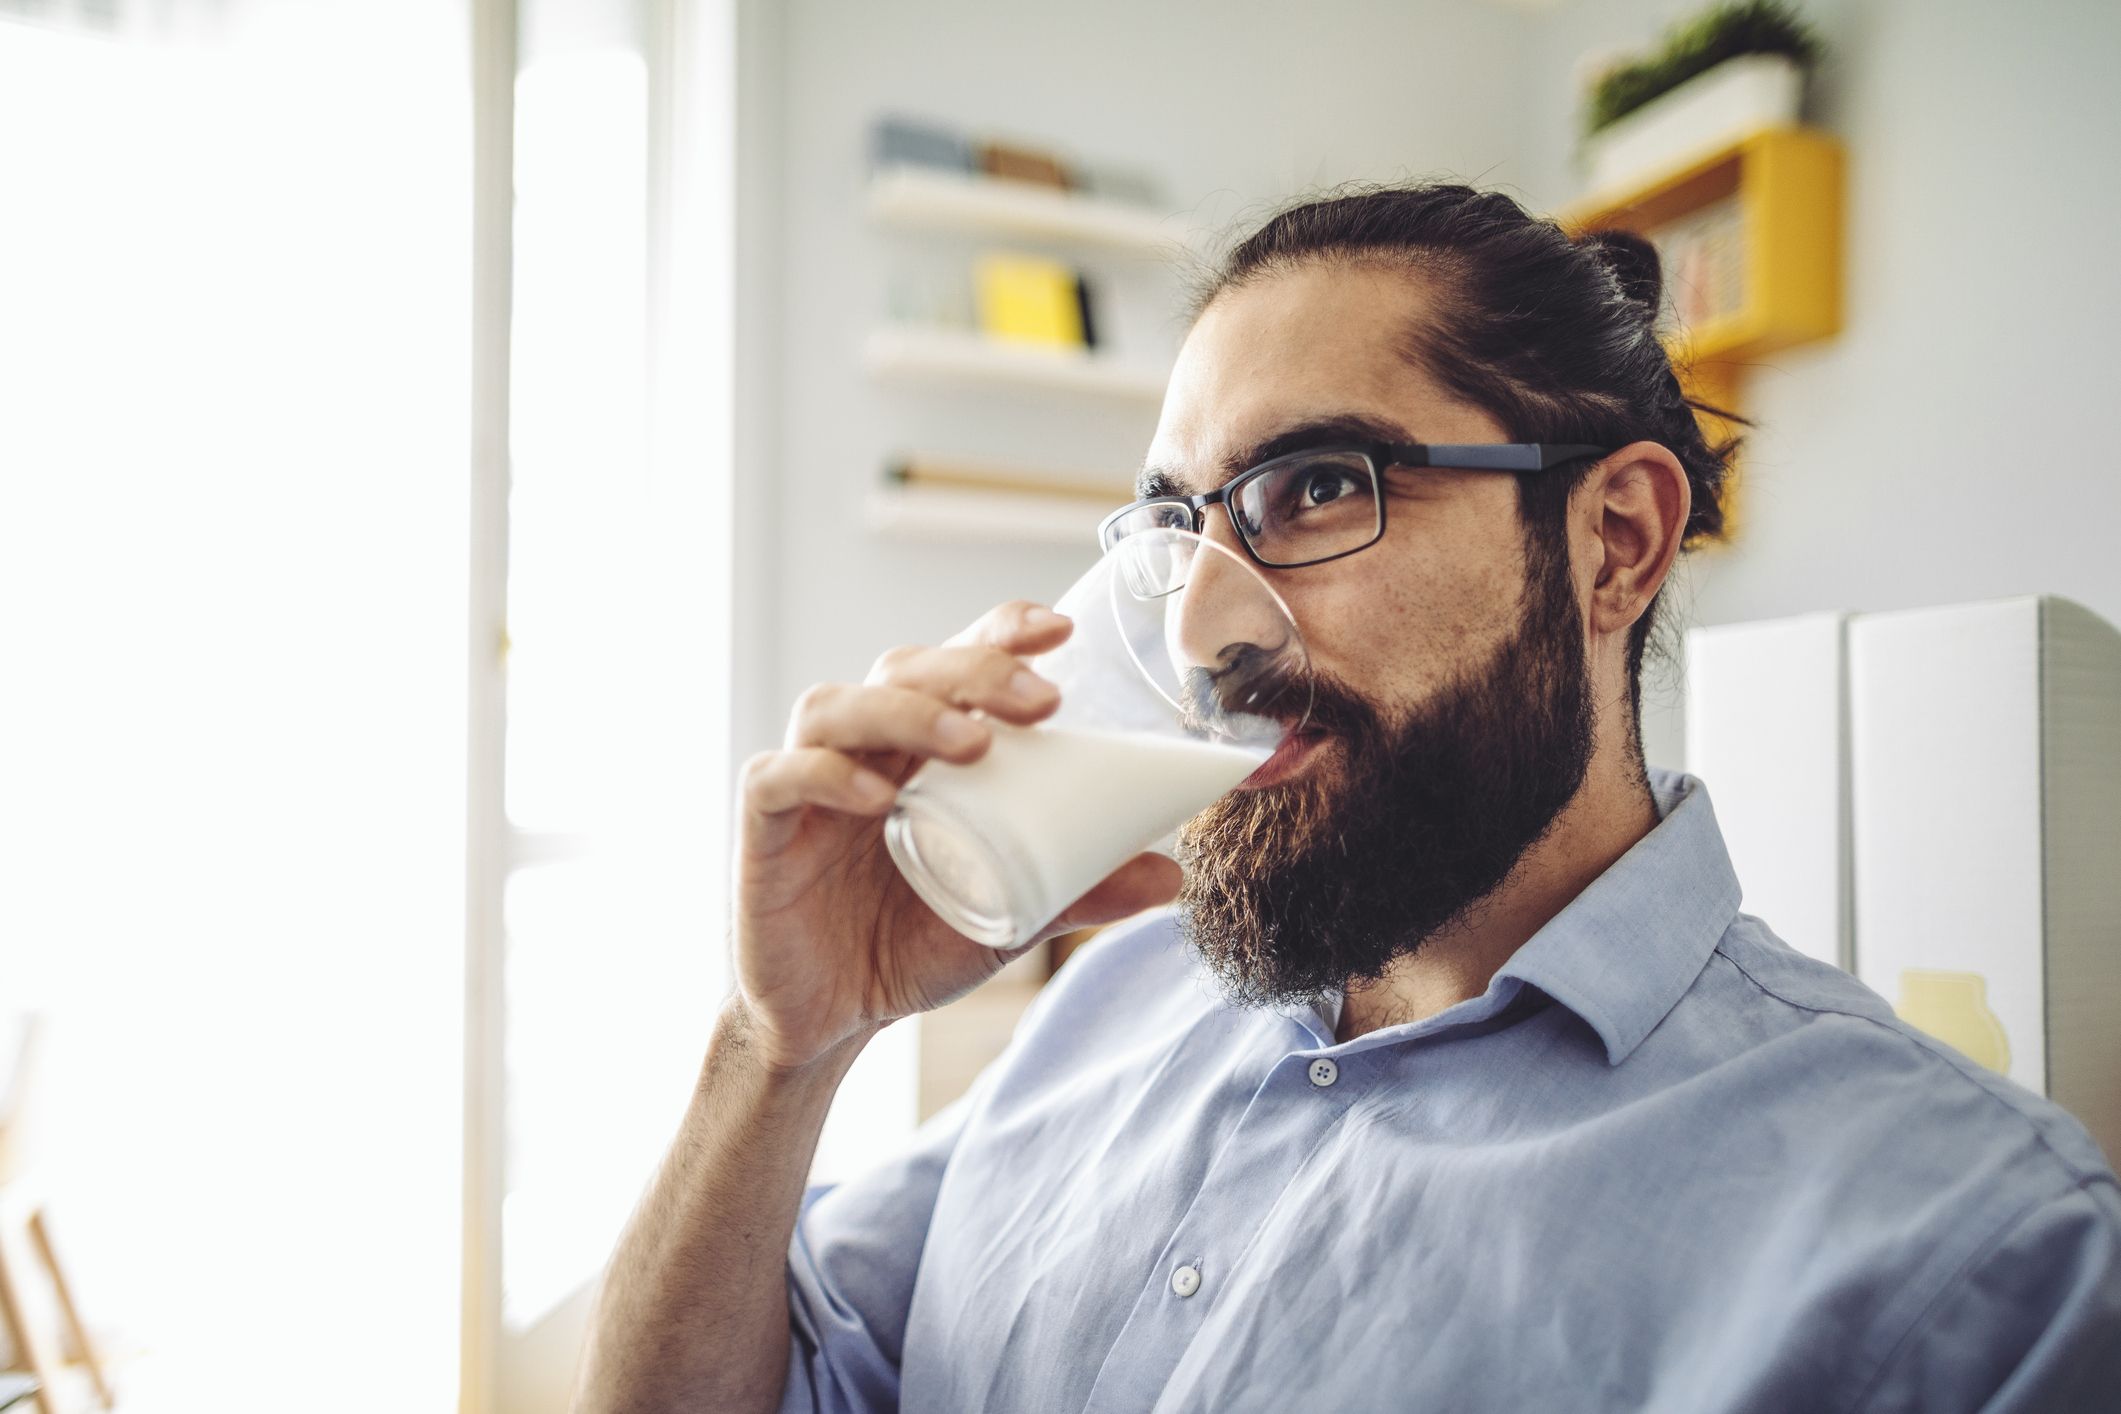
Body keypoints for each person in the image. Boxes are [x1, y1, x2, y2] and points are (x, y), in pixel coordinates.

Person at [574, 183, 2121, 1413]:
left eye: (1316, 486)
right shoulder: (1106, 1006)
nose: (1198, 628)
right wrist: (777, 1045)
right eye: (1175, 527)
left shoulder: (1977, 1257)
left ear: (1615, 543)